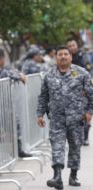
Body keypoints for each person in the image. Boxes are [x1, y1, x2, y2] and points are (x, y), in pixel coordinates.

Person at [37, 46, 93, 189]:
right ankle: (57, 177)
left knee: (75, 147)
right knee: (57, 146)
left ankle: (73, 176)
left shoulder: (81, 73)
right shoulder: (48, 75)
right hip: (57, 118)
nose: (63, 57)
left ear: (70, 57)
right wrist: (40, 114)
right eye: (60, 54)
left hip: (77, 118)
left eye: (65, 54)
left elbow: (91, 95)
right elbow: (43, 96)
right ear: (56, 58)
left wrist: (89, 111)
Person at [67, 39, 93, 146]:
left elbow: (89, 71)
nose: (72, 47)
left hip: (83, 88)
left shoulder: (83, 56)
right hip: (70, 90)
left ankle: (85, 137)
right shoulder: (66, 57)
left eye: (73, 45)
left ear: (77, 45)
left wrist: (85, 88)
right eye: (69, 46)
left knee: (85, 113)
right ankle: (76, 136)